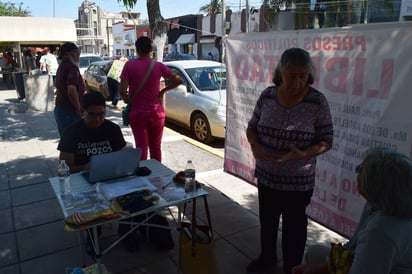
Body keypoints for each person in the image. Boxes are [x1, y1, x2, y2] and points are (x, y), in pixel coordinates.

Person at [246, 47, 334, 274]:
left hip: (298, 182)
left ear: (309, 75)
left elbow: (327, 140)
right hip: (266, 176)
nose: (297, 82)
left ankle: (292, 269)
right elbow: (252, 128)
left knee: (295, 229)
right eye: (291, 75)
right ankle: (267, 258)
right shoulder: (268, 95)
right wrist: (255, 146)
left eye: (302, 76)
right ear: (280, 73)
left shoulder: (317, 102)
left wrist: (303, 154)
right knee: (267, 221)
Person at [293, 147, 412, 274]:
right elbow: (352, 249)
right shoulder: (376, 205)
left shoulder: (380, 233)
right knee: (314, 253)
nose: (357, 173)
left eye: (360, 170)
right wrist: (316, 270)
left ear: (375, 184)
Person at [57, 92, 141, 253]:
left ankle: (126, 231)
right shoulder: (71, 133)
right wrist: (85, 167)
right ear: (83, 111)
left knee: (135, 198)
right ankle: (93, 235)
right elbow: (64, 167)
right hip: (83, 179)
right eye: (92, 115)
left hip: (110, 176)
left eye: (102, 114)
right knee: (90, 205)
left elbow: (120, 156)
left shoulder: (112, 129)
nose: (97, 119)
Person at [119, 36, 183, 162]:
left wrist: (127, 99)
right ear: (150, 50)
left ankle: (143, 176)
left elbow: (122, 90)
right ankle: (158, 176)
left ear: (137, 50)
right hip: (156, 113)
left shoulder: (129, 65)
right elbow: (178, 80)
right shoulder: (158, 66)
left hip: (138, 114)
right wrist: (162, 91)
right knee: (156, 147)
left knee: (141, 147)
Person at [54, 42, 85, 136]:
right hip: (69, 111)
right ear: (67, 54)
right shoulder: (71, 67)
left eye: (78, 52)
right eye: (76, 52)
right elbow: (71, 90)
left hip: (62, 109)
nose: (78, 55)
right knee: (73, 140)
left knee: (67, 141)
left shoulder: (63, 66)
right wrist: (78, 108)